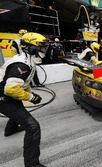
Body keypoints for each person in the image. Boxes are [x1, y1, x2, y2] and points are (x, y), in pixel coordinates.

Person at [0, 32, 48, 167]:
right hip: (3, 96)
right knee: (33, 127)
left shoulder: (28, 61)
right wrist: (31, 97)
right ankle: (32, 164)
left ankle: (10, 130)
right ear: (32, 48)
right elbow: (11, 89)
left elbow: (23, 83)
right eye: (41, 47)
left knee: (18, 110)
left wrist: (30, 93)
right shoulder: (21, 65)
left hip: (7, 94)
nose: (44, 50)